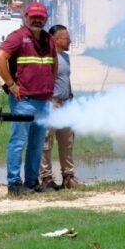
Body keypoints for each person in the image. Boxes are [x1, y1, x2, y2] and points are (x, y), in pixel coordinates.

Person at [0, 2, 57, 196]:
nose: (37, 20)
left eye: (41, 17)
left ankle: (32, 181)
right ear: (26, 17)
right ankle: (14, 184)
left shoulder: (48, 39)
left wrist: (50, 87)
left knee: (37, 144)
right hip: (24, 101)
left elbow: (53, 64)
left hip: (43, 101)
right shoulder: (18, 37)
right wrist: (11, 85)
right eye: (33, 17)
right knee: (18, 143)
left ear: (46, 19)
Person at [40, 25, 82, 190]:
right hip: (51, 104)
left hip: (66, 104)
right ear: (55, 40)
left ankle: (68, 177)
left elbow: (66, 79)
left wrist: (70, 97)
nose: (69, 41)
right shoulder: (46, 57)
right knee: (46, 143)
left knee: (67, 142)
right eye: (66, 38)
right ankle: (46, 178)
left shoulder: (65, 57)